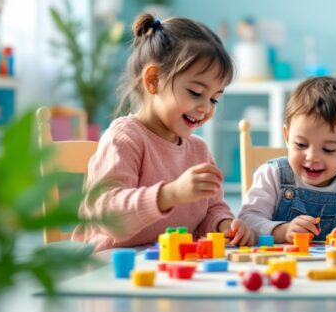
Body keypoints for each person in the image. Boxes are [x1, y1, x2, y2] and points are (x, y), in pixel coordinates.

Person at [73, 13, 255, 251]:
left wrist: (224, 224)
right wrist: (169, 195)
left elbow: (211, 209)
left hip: (169, 268)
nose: (206, 108)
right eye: (195, 92)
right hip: (112, 269)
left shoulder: (199, 150)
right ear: (153, 80)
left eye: (214, 99)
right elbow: (106, 213)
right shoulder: (124, 138)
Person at [238, 76, 336, 242]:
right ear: (287, 136)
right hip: (282, 264)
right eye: (300, 144)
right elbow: (247, 220)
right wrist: (282, 230)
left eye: (328, 149)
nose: (312, 157)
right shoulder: (272, 175)